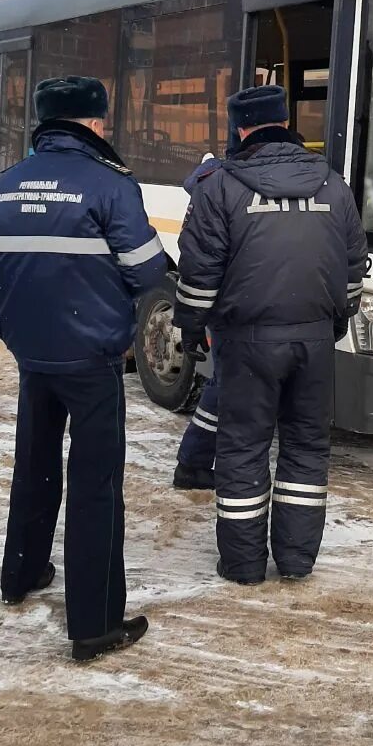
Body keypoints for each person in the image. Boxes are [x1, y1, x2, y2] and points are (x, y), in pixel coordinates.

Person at [0, 76, 168, 663]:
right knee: (96, 485)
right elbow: (146, 271)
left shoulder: (5, 185)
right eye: (103, 121)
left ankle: (22, 574)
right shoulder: (109, 185)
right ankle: (95, 624)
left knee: (34, 465)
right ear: (91, 124)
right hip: (91, 359)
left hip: (31, 353)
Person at [173, 84, 367, 585]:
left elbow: (198, 276)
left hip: (246, 343)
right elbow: (351, 271)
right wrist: (335, 322)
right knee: (306, 447)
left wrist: (191, 332)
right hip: (315, 340)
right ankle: (297, 561)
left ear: (241, 129)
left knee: (242, 448)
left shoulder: (220, 188)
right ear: (286, 123)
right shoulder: (333, 185)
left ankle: (243, 565)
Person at [171, 125, 241, 492]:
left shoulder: (208, 184)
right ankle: (194, 463)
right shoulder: (222, 186)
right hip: (229, 304)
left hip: (219, 302)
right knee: (224, 386)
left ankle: (195, 462)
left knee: (223, 384)